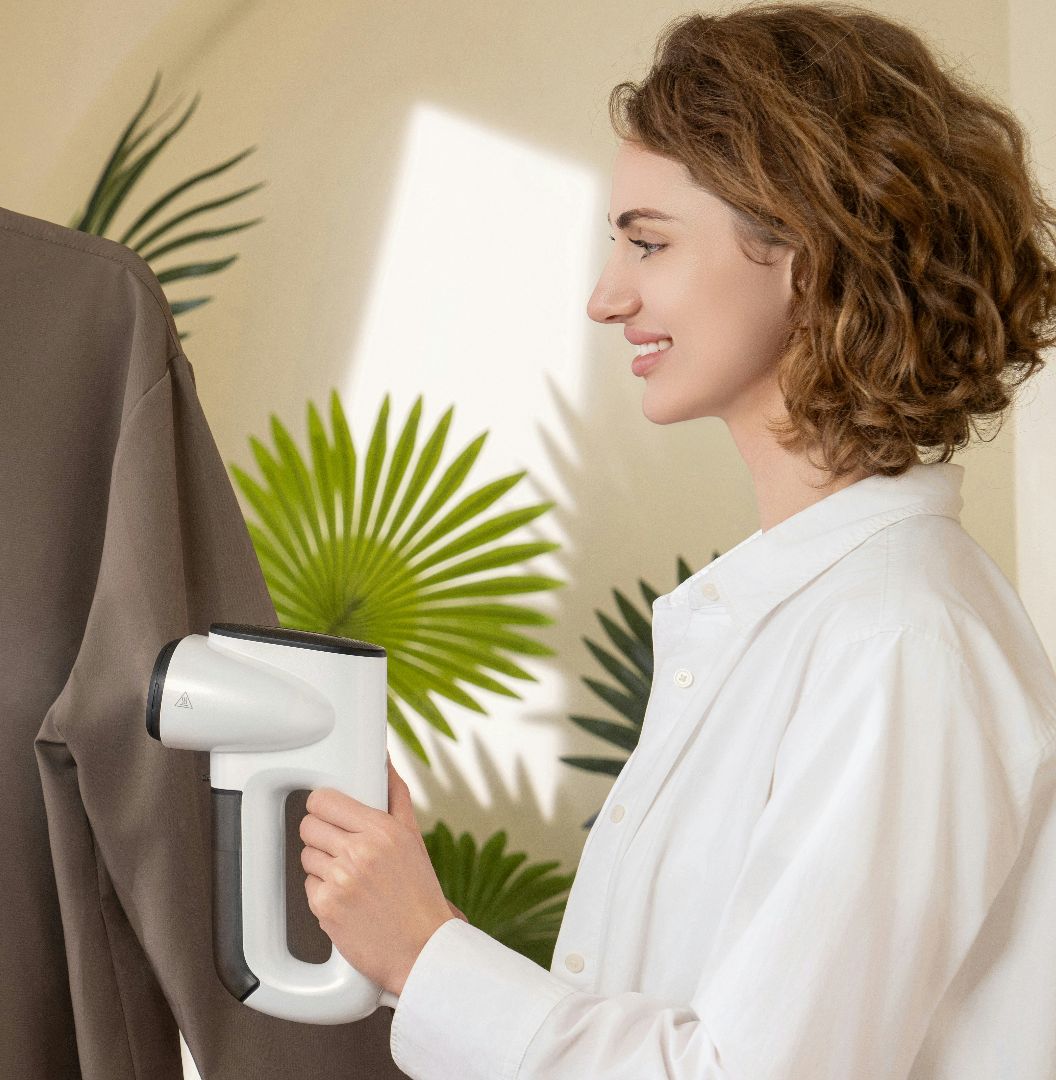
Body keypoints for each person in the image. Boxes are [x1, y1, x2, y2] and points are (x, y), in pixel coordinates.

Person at [299, 4, 1056, 1078]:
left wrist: (429, 956)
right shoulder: (813, 616)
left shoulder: (900, 638)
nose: (608, 298)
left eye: (648, 242)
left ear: (807, 248)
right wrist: (417, 943)